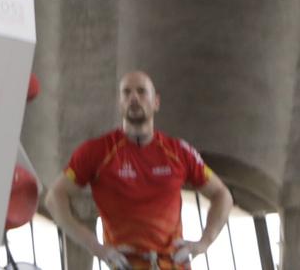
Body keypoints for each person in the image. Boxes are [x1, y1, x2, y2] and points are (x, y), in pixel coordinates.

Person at [47, 72, 235, 270]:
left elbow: (222, 195)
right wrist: (96, 248)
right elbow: (54, 197)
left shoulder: (179, 151)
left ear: (156, 103)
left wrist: (203, 243)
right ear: (120, 104)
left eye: (142, 91)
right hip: (126, 265)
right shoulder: (96, 151)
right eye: (126, 93)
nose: (134, 98)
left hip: (173, 264)